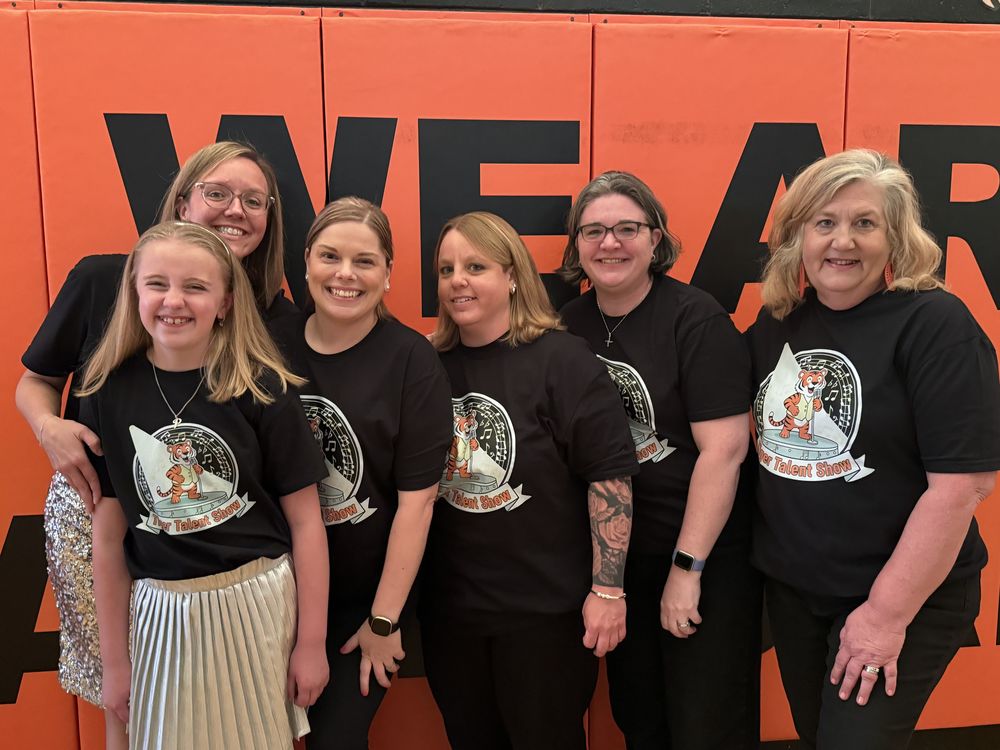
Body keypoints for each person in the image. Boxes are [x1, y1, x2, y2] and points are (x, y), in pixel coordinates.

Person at [14, 140, 297, 746]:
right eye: (217, 192)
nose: (235, 210)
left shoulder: (266, 316)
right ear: (183, 198)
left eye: (253, 200)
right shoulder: (102, 279)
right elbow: (34, 381)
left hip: (213, 543)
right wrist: (50, 429)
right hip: (97, 516)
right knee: (128, 704)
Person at [747, 149, 999, 749]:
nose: (844, 241)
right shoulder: (779, 323)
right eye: (824, 222)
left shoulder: (935, 323)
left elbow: (964, 484)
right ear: (798, 238)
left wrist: (885, 617)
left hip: (897, 596)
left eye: (865, 223)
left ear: (896, 238)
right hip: (798, 591)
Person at [77, 221, 329, 749]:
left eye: (195, 286)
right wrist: (115, 665)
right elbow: (107, 538)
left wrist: (311, 642)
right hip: (160, 613)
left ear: (225, 302)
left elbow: (307, 523)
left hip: (256, 604)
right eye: (157, 284)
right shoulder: (106, 391)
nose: (175, 301)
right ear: (134, 293)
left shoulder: (262, 386)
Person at [421, 211, 639, 750]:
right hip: (452, 615)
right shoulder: (425, 363)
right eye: (446, 269)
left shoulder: (562, 360)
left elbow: (609, 478)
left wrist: (608, 589)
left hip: (545, 616)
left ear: (513, 275)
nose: (457, 281)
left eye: (476, 266)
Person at [558, 171, 761, 749]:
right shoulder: (568, 326)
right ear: (577, 246)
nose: (609, 243)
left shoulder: (695, 320)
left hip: (701, 555)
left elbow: (724, 452)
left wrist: (686, 571)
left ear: (656, 239)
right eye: (593, 231)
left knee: (705, 723)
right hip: (618, 562)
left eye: (627, 228)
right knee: (639, 716)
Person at [269, 197, 452, 749]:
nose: (345, 274)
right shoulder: (269, 346)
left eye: (365, 261)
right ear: (305, 263)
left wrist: (382, 621)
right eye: (330, 256)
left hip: (364, 601)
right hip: (275, 595)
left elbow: (418, 503)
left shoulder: (411, 361)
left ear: (389, 273)